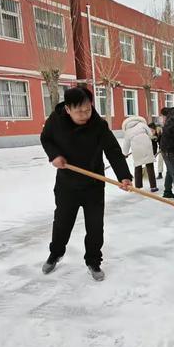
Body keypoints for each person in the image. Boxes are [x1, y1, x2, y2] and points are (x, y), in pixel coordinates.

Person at [40, 87, 132, 281]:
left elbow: (113, 151)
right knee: (62, 224)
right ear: (67, 109)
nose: (84, 115)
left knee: (95, 227)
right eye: (79, 111)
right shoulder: (55, 121)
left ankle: (93, 261)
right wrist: (54, 155)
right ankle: (55, 253)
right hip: (67, 185)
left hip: (93, 184)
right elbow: (46, 139)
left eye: (88, 110)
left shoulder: (98, 125)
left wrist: (124, 176)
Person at [122, 115, 158, 192]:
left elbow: (126, 144)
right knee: (150, 166)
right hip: (147, 146)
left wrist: (124, 154)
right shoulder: (142, 124)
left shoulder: (128, 131)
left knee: (138, 166)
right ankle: (153, 186)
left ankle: (138, 187)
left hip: (136, 149)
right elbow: (150, 134)